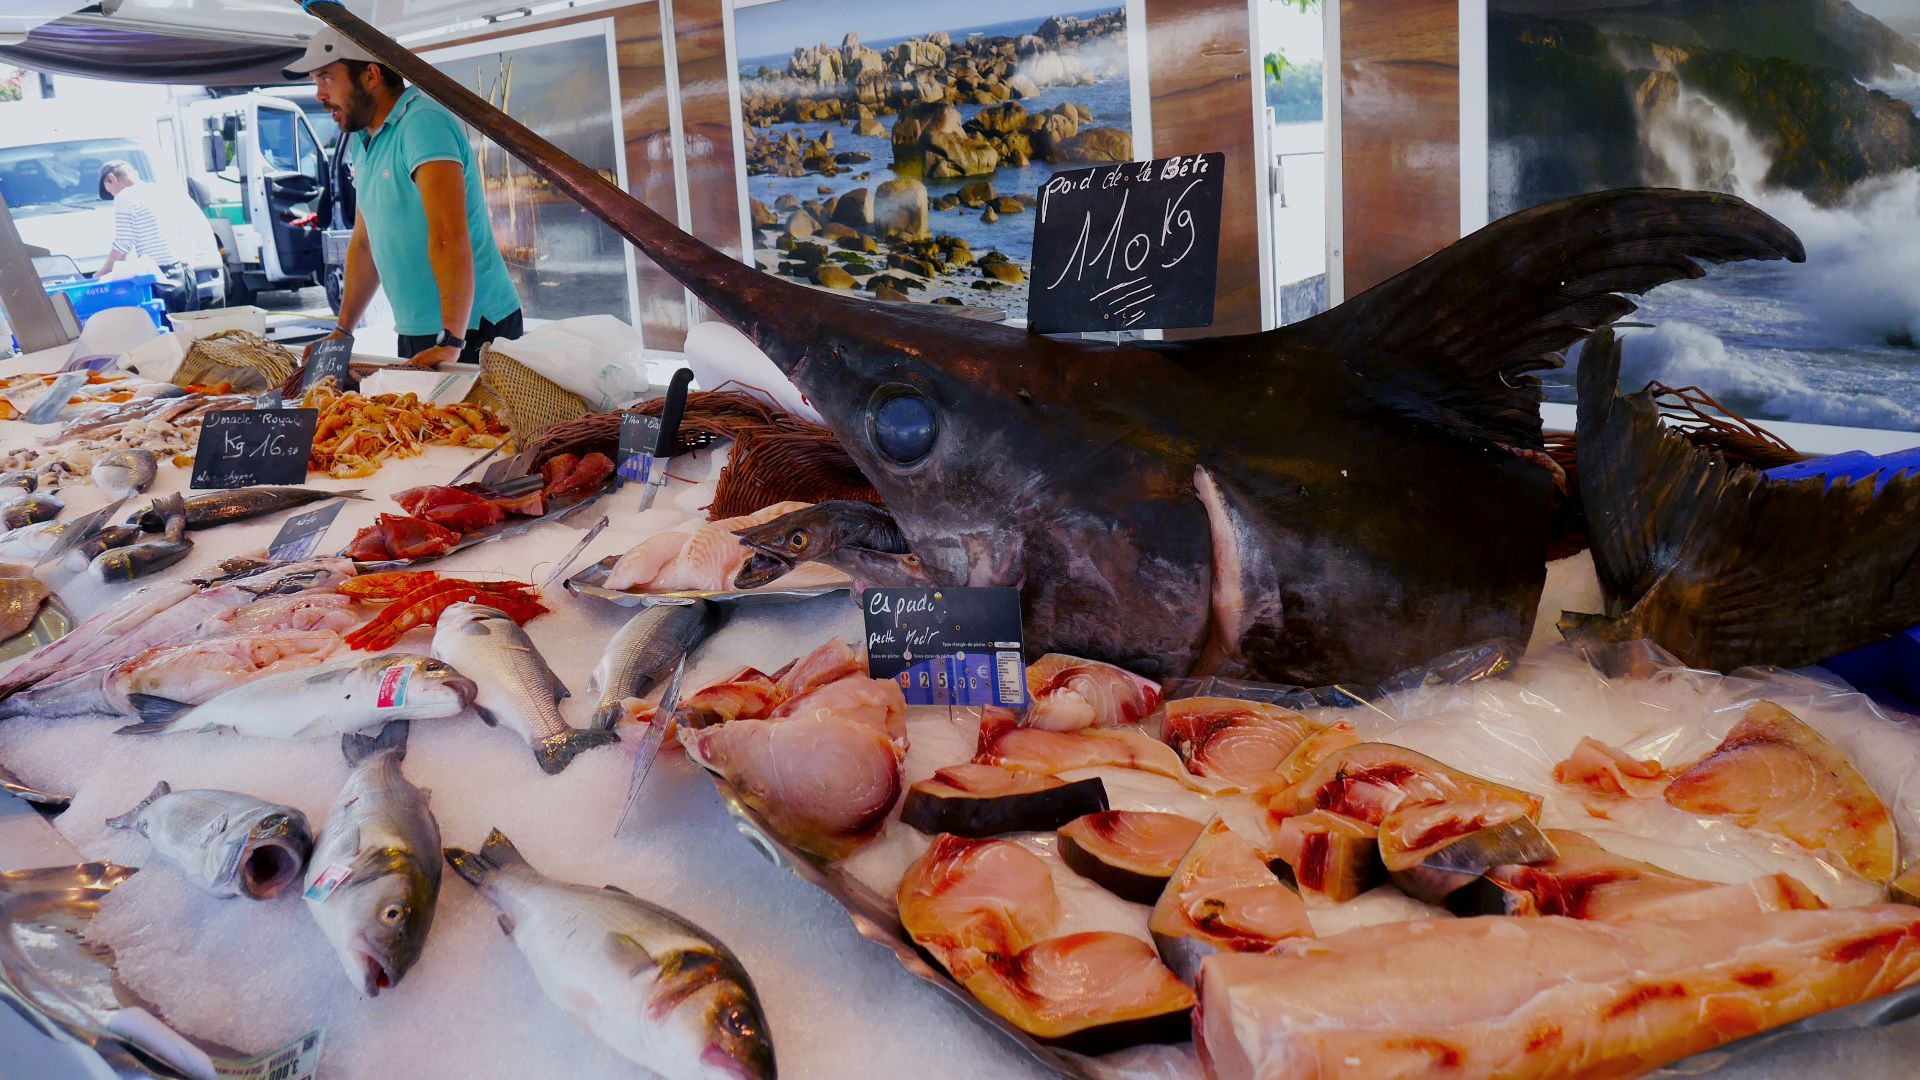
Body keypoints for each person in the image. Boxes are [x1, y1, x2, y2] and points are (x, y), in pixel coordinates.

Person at [286, 28, 522, 370]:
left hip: (472, 328)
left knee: (479, 425)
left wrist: (453, 340)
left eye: (326, 77)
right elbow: (367, 243)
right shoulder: (364, 142)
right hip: (419, 329)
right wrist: (343, 329)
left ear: (371, 75)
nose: (319, 94)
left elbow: (447, 233)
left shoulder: (422, 123)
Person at [95, 161, 221, 314]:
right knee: (189, 328)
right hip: (186, 271)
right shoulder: (159, 191)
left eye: (110, 191)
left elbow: (123, 244)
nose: (112, 195)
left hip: (163, 276)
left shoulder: (124, 197)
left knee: (168, 334)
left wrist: (102, 273)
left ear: (112, 178)